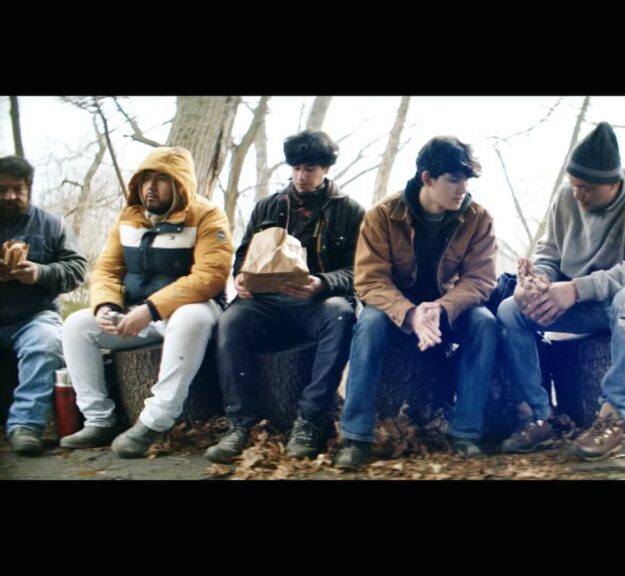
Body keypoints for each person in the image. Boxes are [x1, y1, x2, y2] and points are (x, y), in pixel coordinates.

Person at [496, 121, 625, 460]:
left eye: (587, 188)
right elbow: (549, 253)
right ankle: (537, 417)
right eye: (574, 185)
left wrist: (576, 289)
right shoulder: (567, 197)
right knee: (509, 310)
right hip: (579, 304)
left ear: (614, 183)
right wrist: (538, 283)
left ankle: (612, 418)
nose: (578, 195)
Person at [333, 136, 497, 469]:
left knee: (484, 323)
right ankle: (355, 436)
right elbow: (370, 280)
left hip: (447, 307)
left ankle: (465, 431)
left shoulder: (478, 218)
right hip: (394, 307)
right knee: (369, 324)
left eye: (466, 181)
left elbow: (480, 279)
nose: (462, 189)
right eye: (454, 180)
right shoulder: (383, 215)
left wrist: (442, 307)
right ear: (427, 179)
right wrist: (410, 314)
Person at [61, 147, 232, 457]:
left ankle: (154, 422)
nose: (150, 187)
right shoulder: (129, 218)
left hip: (191, 311)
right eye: (145, 179)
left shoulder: (207, 215)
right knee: (76, 325)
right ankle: (99, 420)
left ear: (180, 184)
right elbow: (107, 270)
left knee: (191, 317)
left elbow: (210, 276)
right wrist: (106, 306)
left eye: (161, 179)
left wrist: (151, 309)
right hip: (136, 312)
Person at [205, 130, 365, 463]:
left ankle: (310, 419)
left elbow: (359, 270)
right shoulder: (269, 206)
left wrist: (322, 282)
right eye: (296, 168)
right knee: (231, 321)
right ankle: (240, 423)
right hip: (266, 302)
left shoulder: (350, 211)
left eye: (309, 169)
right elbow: (243, 253)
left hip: (319, 303)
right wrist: (241, 277)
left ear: (326, 169)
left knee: (342, 314)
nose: (301, 176)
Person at [0, 155, 87, 454]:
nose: (10, 196)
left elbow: (78, 270)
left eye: (18, 189)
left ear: (29, 189)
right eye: (2, 190)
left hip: (34, 316)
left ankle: (25, 426)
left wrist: (39, 273)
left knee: (47, 342)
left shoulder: (52, 225)